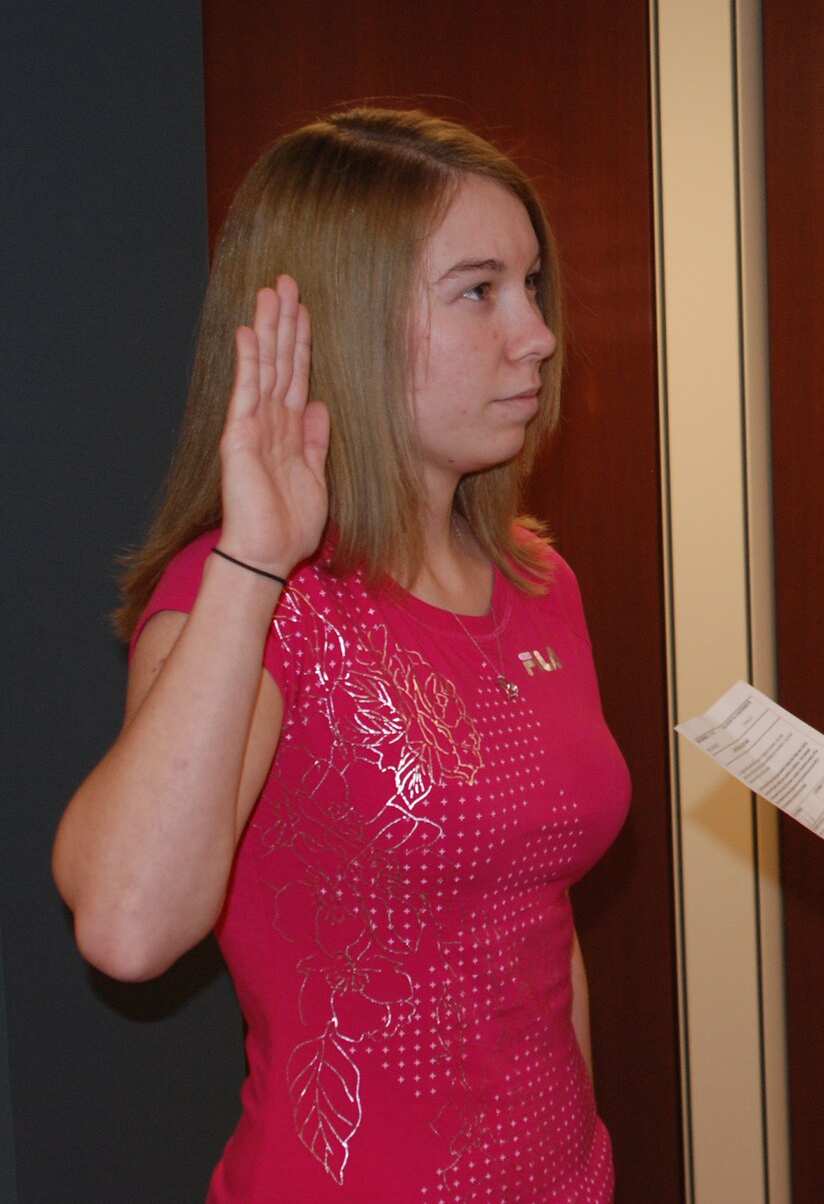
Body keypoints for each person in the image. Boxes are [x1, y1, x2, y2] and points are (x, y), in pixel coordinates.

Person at [53, 109, 631, 1201]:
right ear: (349, 325)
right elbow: (128, 927)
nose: (537, 333)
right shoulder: (257, 601)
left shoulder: (538, 581)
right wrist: (257, 559)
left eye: (531, 283)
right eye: (479, 291)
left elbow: (538, 931)